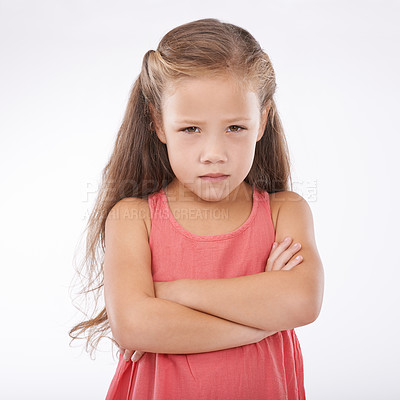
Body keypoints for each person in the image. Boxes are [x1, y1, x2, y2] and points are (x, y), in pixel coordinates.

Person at [69, 18, 324, 400]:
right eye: (191, 129)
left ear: (262, 121)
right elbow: (136, 326)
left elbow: (301, 301)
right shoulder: (132, 218)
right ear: (158, 123)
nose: (214, 154)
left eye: (235, 127)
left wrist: (169, 294)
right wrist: (264, 320)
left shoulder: (284, 211)